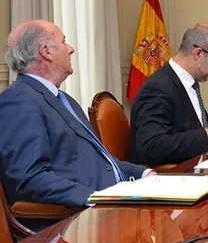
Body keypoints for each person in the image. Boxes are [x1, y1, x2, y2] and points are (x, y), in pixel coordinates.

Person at [0, 21, 150, 212]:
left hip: (113, 204)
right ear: (46, 51)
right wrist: (97, 199)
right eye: (63, 42)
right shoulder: (18, 101)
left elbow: (99, 162)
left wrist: (144, 173)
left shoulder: (63, 99)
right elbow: (31, 178)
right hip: (76, 221)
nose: (71, 49)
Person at [130, 23, 208, 166]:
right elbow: (151, 146)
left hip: (196, 167)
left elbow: (193, 129)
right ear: (198, 53)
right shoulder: (158, 88)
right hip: (173, 178)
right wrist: (206, 136)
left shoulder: (189, 82)